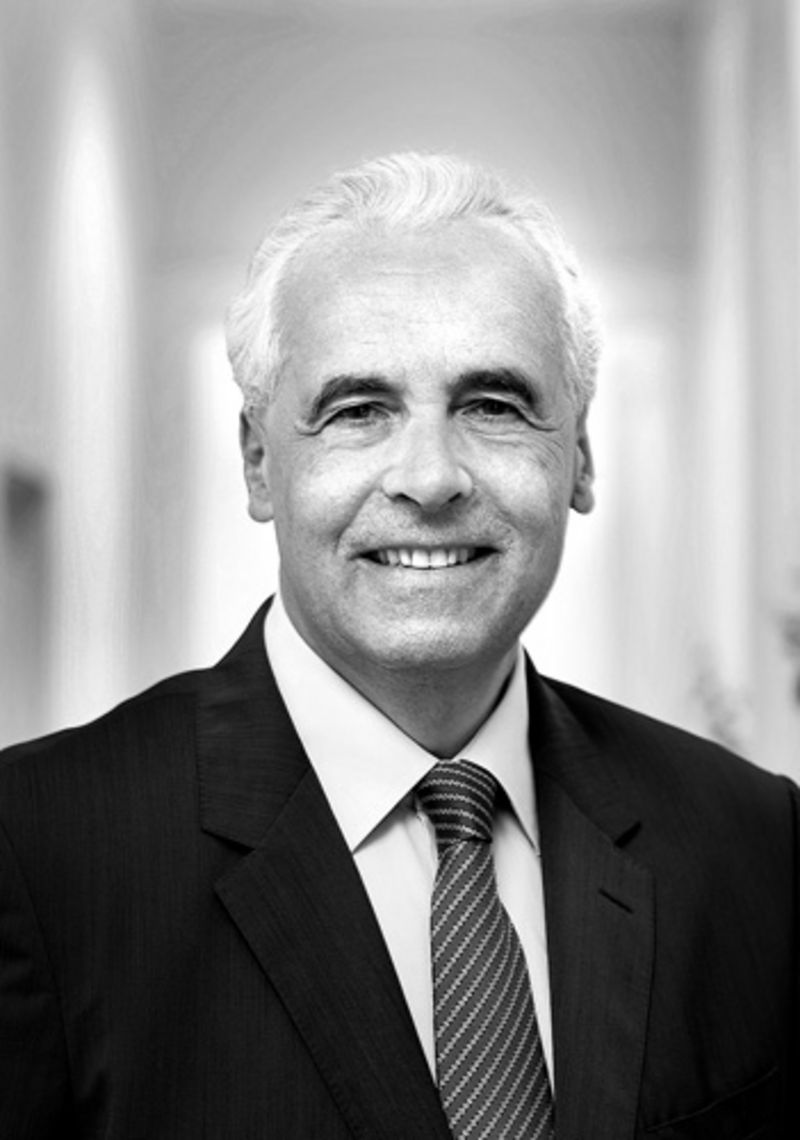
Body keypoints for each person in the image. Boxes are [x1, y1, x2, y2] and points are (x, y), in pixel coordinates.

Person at [0, 152, 796, 1140]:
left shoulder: (756, 847)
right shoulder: (34, 854)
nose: (429, 478)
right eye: (358, 411)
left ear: (581, 457)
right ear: (259, 462)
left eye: (492, 406)